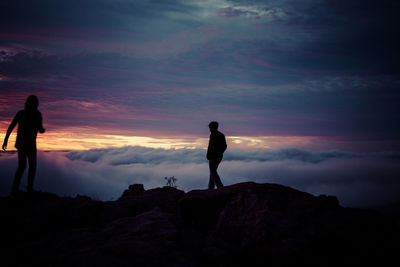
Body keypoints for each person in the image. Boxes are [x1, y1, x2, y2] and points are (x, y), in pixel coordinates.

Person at [2, 95, 45, 196]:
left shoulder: (34, 114)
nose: (34, 106)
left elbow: (40, 128)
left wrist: (41, 130)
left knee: (28, 166)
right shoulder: (25, 114)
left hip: (27, 144)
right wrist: (5, 140)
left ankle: (24, 189)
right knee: (25, 166)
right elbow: (12, 126)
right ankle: (19, 189)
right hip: (23, 144)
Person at [206, 121, 227, 189]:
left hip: (213, 157)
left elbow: (211, 146)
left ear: (213, 127)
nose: (209, 129)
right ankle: (211, 188)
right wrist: (220, 153)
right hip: (218, 156)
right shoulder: (220, 135)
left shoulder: (213, 135)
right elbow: (225, 146)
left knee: (213, 172)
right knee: (212, 171)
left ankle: (220, 187)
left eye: (210, 127)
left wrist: (211, 154)